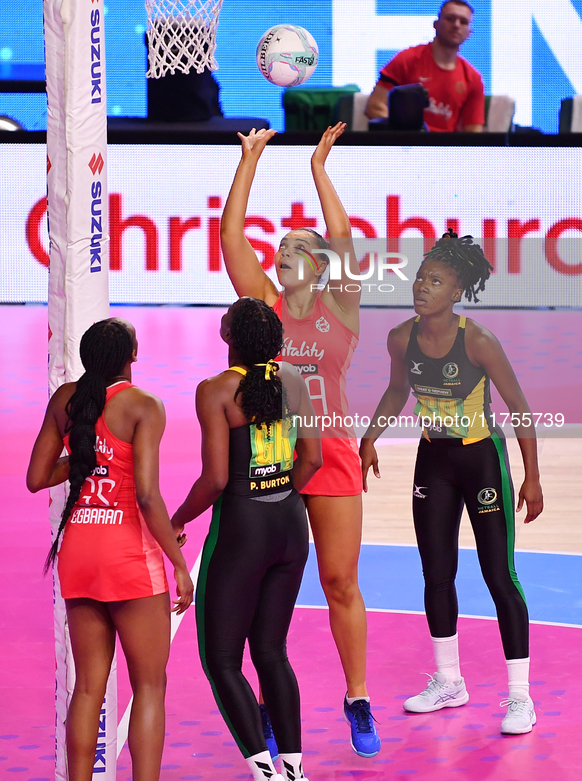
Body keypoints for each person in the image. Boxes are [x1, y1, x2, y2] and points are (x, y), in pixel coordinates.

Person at [219, 124, 381, 759]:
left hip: (333, 452)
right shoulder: (265, 307)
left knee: (341, 580)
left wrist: (319, 167)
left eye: (294, 248)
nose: (282, 252)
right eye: (279, 247)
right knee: (264, 590)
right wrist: (250, 161)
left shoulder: (341, 305)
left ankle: (357, 697)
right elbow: (232, 237)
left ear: (317, 264)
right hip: (274, 455)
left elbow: (341, 238)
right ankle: (264, 702)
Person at [359, 232, 544, 735]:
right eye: (420, 276)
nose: (422, 286)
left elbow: (520, 407)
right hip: (432, 462)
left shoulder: (478, 340)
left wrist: (531, 477)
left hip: (482, 460)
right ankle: (448, 681)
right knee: (436, 575)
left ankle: (520, 697)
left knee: (497, 575)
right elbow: (397, 390)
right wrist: (369, 438)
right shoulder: (401, 337)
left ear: (456, 291)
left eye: (435, 280)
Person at [26, 318, 193, 781]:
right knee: (149, 687)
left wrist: (84, 456)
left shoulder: (65, 401)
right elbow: (146, 495)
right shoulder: (143, 405)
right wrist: (178, 563)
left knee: (87, 691)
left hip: (78, 552)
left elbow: (36, 477)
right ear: (131, 356)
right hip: (129, 559)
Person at [171, 298, 321, 781]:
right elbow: (312, 460)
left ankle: (263, 771)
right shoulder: (296, 382)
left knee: (221, 659)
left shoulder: (215, 390)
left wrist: (177, 518)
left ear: (227, 335)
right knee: (272, 651)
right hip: (291, 528)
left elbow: (215, 479)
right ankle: (294, 769)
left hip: (241, 532)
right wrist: (279, 493)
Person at [364, 0, 485, 132]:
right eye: (450, 19)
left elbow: (473, 131)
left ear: (469, 32)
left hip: (445, 150)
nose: (456, 25)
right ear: (436, 24)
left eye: (463, 22)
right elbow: (374, 106)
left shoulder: (473, 78)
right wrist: (405, 134)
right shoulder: (407, 59)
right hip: (404, 147)